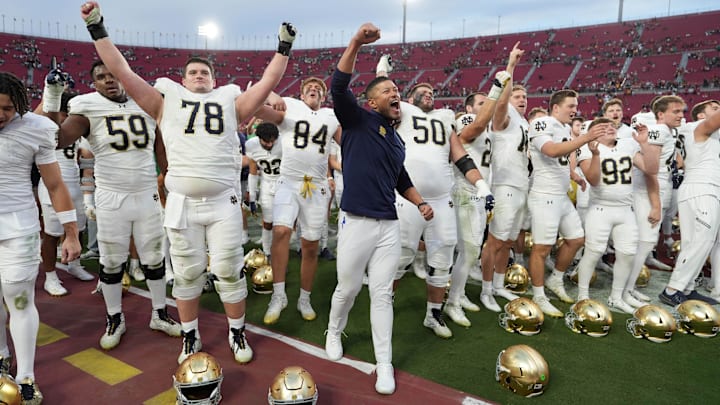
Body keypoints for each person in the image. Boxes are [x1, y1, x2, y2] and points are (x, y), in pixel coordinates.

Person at [79, 1, 295, 364]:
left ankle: (236, 331)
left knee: (228, 270)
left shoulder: (231, 103)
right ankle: (190, 336)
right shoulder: (164, 102)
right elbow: (122, 69)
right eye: (193, 72)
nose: (198, 76)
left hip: (223, 201)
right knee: (188, 273)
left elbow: (269, 83)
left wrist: (282, 48)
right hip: (182, 202)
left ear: (213, 80)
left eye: (204, 73)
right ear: (182, 79)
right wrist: (97, 27)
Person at [325, 23, 433, 395]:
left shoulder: (397, 140)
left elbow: (399, 176)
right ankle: (334, 330)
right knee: (348, 288)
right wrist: (355, 42)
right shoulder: (357, 120)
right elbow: (338, 87)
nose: (396, 93)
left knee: (382, 293)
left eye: (397, 89)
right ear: (371, 102)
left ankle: (383, 363)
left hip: (388, 224)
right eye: (388, 89)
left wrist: (419, 201)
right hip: (356, 222)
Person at [49, 58, 181, 350]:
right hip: (111, 196)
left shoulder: (144, 102)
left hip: (146, 193)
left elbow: (159, 143)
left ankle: (160, 313)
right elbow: (57, 139)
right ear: (93, 83)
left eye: (113, 75)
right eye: (100, 76)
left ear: (125, 76)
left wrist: (167, 178)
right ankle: (114, 317)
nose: (108, 80)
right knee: (111, 261)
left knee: (154, 258)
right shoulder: (87, 107)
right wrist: (53, 96)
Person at [0, 71, 82, 404]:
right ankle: (2, 355)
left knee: (18, 298)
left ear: (18, 105)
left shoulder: (34, 129)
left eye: (7, 108)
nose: (0, 114)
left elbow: (55, 185)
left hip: (18, 227)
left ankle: (26, 377)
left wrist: (71, 234)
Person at [256, 76, 341, 325]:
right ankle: (279, 295)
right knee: (281, 231)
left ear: (324, 97)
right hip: (289, 182)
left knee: (311, 245)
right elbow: (256, 108)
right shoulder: (290, 107)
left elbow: (350, 140)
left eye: (318, 89)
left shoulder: (330, 115)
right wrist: (269, 93)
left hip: (316, 186)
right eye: (308, 88)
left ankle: (304, 298)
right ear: (301, 95)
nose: (313, 90)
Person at [526, 89, 607, 317]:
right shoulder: (543, 122)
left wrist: (574, 173)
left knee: (576, 239)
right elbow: (550, 151)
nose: (575, 110)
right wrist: (584, 138)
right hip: (544, 195)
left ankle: (555, 279)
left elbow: (563, 159)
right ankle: (538, 295)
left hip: (560, 195)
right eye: (570, 106)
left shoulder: (563, 128)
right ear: (556, 107)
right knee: (542, 248)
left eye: (576, 106)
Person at [575, 118, 657, 313]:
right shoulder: (587, 148)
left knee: (627, 254)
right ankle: (582, 295)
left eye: (612, 126)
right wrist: (595, 155)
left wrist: (645, 144)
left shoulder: (628, 145)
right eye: (603, 127)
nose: (610, 128)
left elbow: (651, 168)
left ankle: (616, 296)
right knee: (593, 252)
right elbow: (593, 180)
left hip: (625, 210)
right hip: (600, 209)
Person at [477, 43, 531, 314]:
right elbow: (500, 102)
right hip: (505, 185)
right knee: (495, 241)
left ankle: (498, 284)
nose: (521, 99)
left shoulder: (524, 123)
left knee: (508, 241)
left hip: (521, 185)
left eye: (524, 97)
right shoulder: (504, 120)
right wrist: (511, 67)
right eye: (517, 96)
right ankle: (486, 290)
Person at [659, 99, 720, 305]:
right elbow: (714, 123)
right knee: (702, 240)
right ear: (701, 115)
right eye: (714, 108)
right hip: (701, 188)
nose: (718, 111)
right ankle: (673, 289)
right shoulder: (697, 127)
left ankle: (687, 287)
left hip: (700, 189)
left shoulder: (706, 135)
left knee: (693, 242)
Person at [35, 91, 95, 297]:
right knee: (51, 233)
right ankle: (50, 276)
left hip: (74, 186)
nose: (66, 118)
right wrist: (49, 97)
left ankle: (74, 264)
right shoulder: (43, 129)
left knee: (77, 228)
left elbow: (86, 158)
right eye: (63, 113)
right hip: (52, 185)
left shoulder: (76, 131)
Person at [245, 122, 283, 256]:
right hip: (267, 183)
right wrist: (252, 197)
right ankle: (267, 251)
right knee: (268, 221)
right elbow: (253, 171)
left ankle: (283, 248)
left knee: (284, 222)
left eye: (273, 141)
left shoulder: (283, 142)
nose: (270, 145)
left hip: (284, 183)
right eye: (266, 142)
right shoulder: (251, 145)